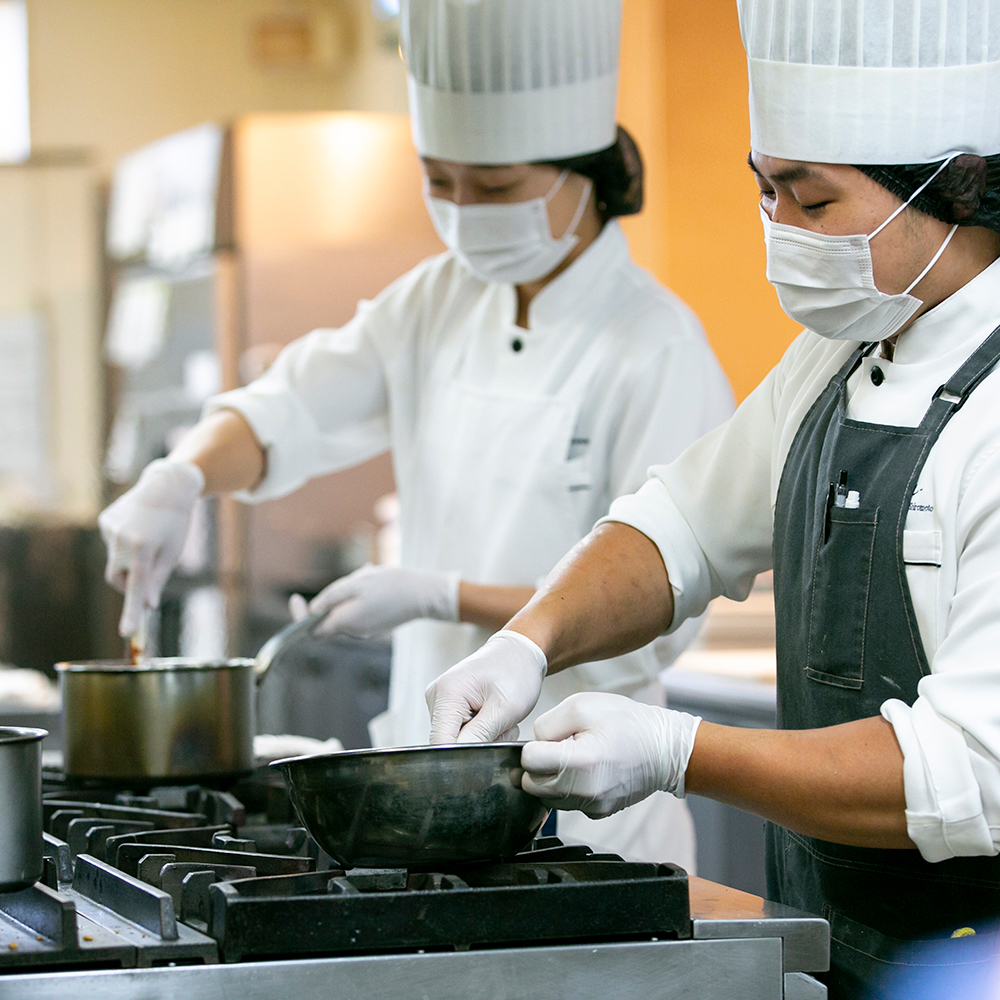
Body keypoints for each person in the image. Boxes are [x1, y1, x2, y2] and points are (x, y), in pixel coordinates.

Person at [425, 0, 1000, 995]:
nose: (777, 228)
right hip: (828, 939)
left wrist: (674, 750)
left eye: (811, 203)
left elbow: (967, 771)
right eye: (764, 190)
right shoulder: (838, 352)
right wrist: (528, 641)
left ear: (954, 187)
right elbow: (679, 525)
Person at [97, 0, 733, 867]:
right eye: (441, 182)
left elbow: (656, 608)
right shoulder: (437, 299)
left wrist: (440, 594)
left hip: (588, 810)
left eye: (498, 188)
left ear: (582, 172)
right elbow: (291, 407)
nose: (466, 211)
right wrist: (180, 477)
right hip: (422, 794)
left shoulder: (657, 347)